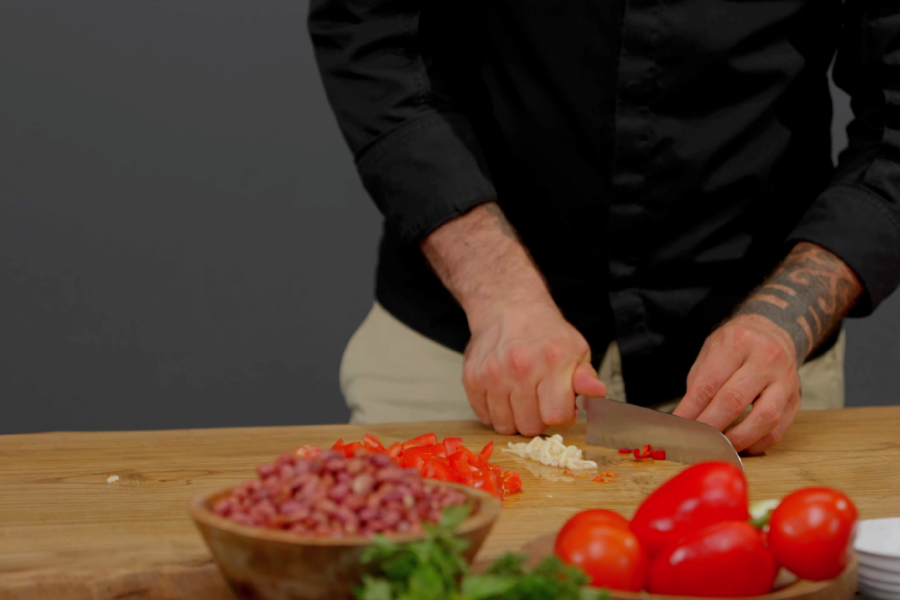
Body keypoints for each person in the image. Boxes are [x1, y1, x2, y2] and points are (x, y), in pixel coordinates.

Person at [308, 0, 900, 455]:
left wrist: (781, 322)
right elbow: (368, 38)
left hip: (752, 381)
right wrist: (498, 292)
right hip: (467, 348)